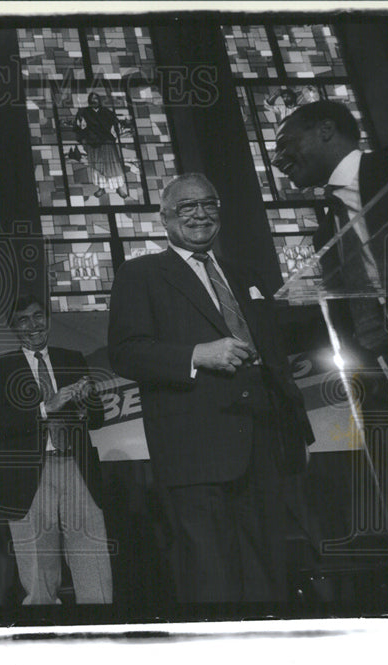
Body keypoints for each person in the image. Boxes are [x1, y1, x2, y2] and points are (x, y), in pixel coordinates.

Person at [107, 174, 314, 603]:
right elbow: (126, 353)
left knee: (269, 571)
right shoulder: (141, 273)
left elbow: (273, 357)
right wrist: (197, 355)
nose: (200, 214)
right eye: (186, 207)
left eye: (208, 204)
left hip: (264, 444)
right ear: (163, 218)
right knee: (210, 576)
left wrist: (295, 428)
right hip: (194, 451)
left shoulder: (244, 275)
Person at [0, 295, 113, 605]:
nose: (33, 325)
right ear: (14, 328)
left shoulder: (72, 357)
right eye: (23, 320)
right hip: (29, 476)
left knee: (93, 561)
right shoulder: (0, 366)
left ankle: (102, 630)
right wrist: (45, 408)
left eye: (38, 316)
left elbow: (96, 418)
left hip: (76, 467)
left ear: (48, 319)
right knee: (39, 570)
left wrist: (84, 405)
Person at [272, 99, 388, 372]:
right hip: (387, 363)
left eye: (284, 144)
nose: (275, 159)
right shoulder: (325, 235)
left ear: (326, 130)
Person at [73, 92, 129, 199]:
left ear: (99, 100)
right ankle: (101, 188)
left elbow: (115, 125)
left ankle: (118, 188)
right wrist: (81, 126)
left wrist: (116, 131)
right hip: (93, 143)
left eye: (96, 98)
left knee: (113, 166)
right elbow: (79, 127)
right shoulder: (84, 112)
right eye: (92, 98)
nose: (94, 100)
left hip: (107, 142)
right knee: (97, 167)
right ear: (89, 101)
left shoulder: (107, 112)